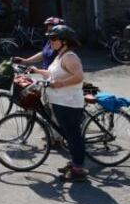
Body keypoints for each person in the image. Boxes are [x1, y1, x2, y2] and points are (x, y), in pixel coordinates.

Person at [28, 25, 88, 182]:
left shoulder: (70, 57)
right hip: (60, 102)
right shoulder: (59, 56)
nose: (51, 41)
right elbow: (52, 73)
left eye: (54, 38)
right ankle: (75, 163)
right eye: (50, 38)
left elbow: (79, 77)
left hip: (70, 103)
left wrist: (60, 84)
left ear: (64, 41)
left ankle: (79, 170)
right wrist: (37, 71)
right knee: (68, 134)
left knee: (73, 136)